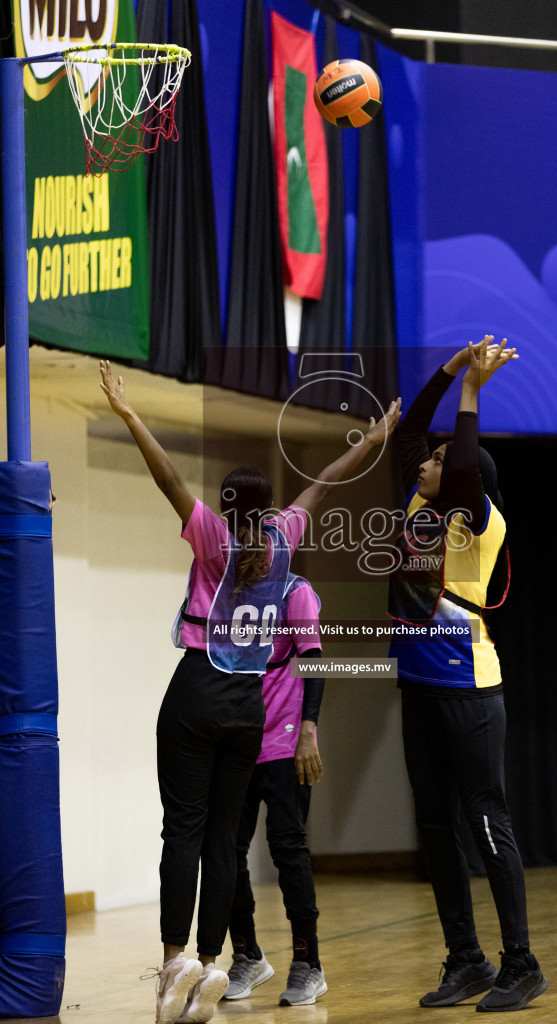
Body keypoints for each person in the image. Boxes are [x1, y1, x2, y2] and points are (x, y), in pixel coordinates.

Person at [98, 360, 400, 1024]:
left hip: (201, 689)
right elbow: (321, 485)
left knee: (187, 831)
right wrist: (371, 441)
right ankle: (216, 961)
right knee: (224, 845)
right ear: (265, 508)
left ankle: (181, 959)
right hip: (249, 708)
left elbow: (169, 479)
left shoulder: (212, 538)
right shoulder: (282, 540)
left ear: (224, 505)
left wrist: (128, 414)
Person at [388, 338, 548, 1012]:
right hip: (419, 690)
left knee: (486, 823)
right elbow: (406, 434)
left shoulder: (472, 517)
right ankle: (466, 958)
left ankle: (521, 963)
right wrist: (451, 369)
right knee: (434, 827)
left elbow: (454, 457)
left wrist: (473, 394)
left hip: (468, 691)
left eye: (438, 458)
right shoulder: (416, 509)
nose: (425, 462)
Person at [224, 571, 326, 1006]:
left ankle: (309, 963)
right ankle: (247, 955)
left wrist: (309, 733)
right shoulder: (229, 593)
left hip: (286, 741)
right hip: (239, 741)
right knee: (225, 851)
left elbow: (314, 661)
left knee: (287, 848)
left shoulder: (294, 591)